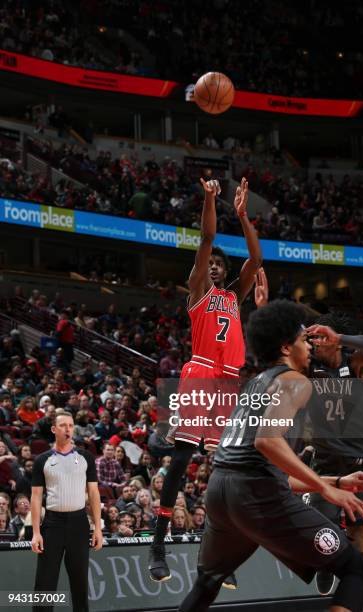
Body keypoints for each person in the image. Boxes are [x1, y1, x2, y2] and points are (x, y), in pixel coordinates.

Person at [178, 300, 363, 612]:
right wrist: (327, 490)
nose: (309, 347)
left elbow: (273, 468)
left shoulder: (255, 383)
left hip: (220, 492)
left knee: (206, 584)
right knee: (360, 569)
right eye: (302, 341)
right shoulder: (295, 381)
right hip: (256, 494)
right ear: (286, 347)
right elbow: (267, 442)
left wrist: (336, 480)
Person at [149, 176, 262, 584]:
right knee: (180, 462)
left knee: (223, 470)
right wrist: (211, 198)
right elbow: (208, 235)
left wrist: (245, 215)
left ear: (225, 272)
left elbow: (255, 258)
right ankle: (158, 545)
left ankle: (216, 556)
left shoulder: (234, 296)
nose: (212, 264)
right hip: (200, 371)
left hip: (229, 383)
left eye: (218, 263)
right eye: (208, 261)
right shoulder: (198, 290)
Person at [306, 314, 363, 596]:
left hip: (359, 462)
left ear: (336, 341)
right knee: (324, 524)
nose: (316, 343)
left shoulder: (354, 364)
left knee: (357, 530)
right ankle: (324, 564)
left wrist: (340, 337)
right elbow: (279, 347)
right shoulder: (309, 367)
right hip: (326, 462)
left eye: (321, 338)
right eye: (314, 338)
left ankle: (357, 588)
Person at [31, 412, 103, 611]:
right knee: (44, 584)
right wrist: (36, 532)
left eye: (71, 425)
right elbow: (36, 497)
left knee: (80, 584)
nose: (68, 429)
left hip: (79, 524)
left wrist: (97, 528)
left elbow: (94, 493)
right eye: (63, 425)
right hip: (52, 525)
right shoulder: (42, 460)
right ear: (54, 429)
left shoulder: (86, 457)